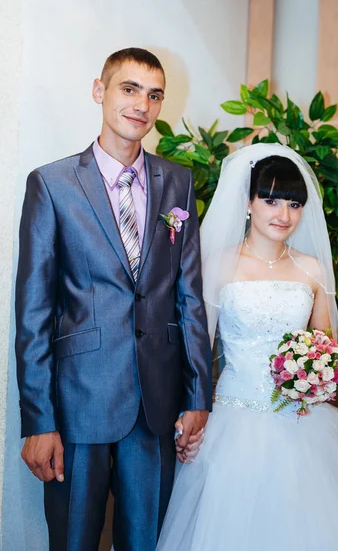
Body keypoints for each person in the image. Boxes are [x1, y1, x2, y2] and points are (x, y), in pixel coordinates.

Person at [15, 47, 212, 551]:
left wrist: (197, 396)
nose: (141, 105)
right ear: (100, 91)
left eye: (154, 95)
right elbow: (33, 312)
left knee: (148, 540)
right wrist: (39, 420)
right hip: (79, 400)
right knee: (74, 539)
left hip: (157, 401)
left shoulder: (178, 182)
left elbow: (189, 295)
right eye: (129, 89)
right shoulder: (52, 184)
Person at [157, 143, 338, 551]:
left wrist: (319, 376)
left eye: (293, 203)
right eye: (270, 200)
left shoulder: (312, 269)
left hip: (303, 423)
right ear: (248, 203)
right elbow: (195, 348)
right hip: (232, 419)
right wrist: (190, 411)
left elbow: (327, 350)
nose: (283, 214)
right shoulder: (217, 264)